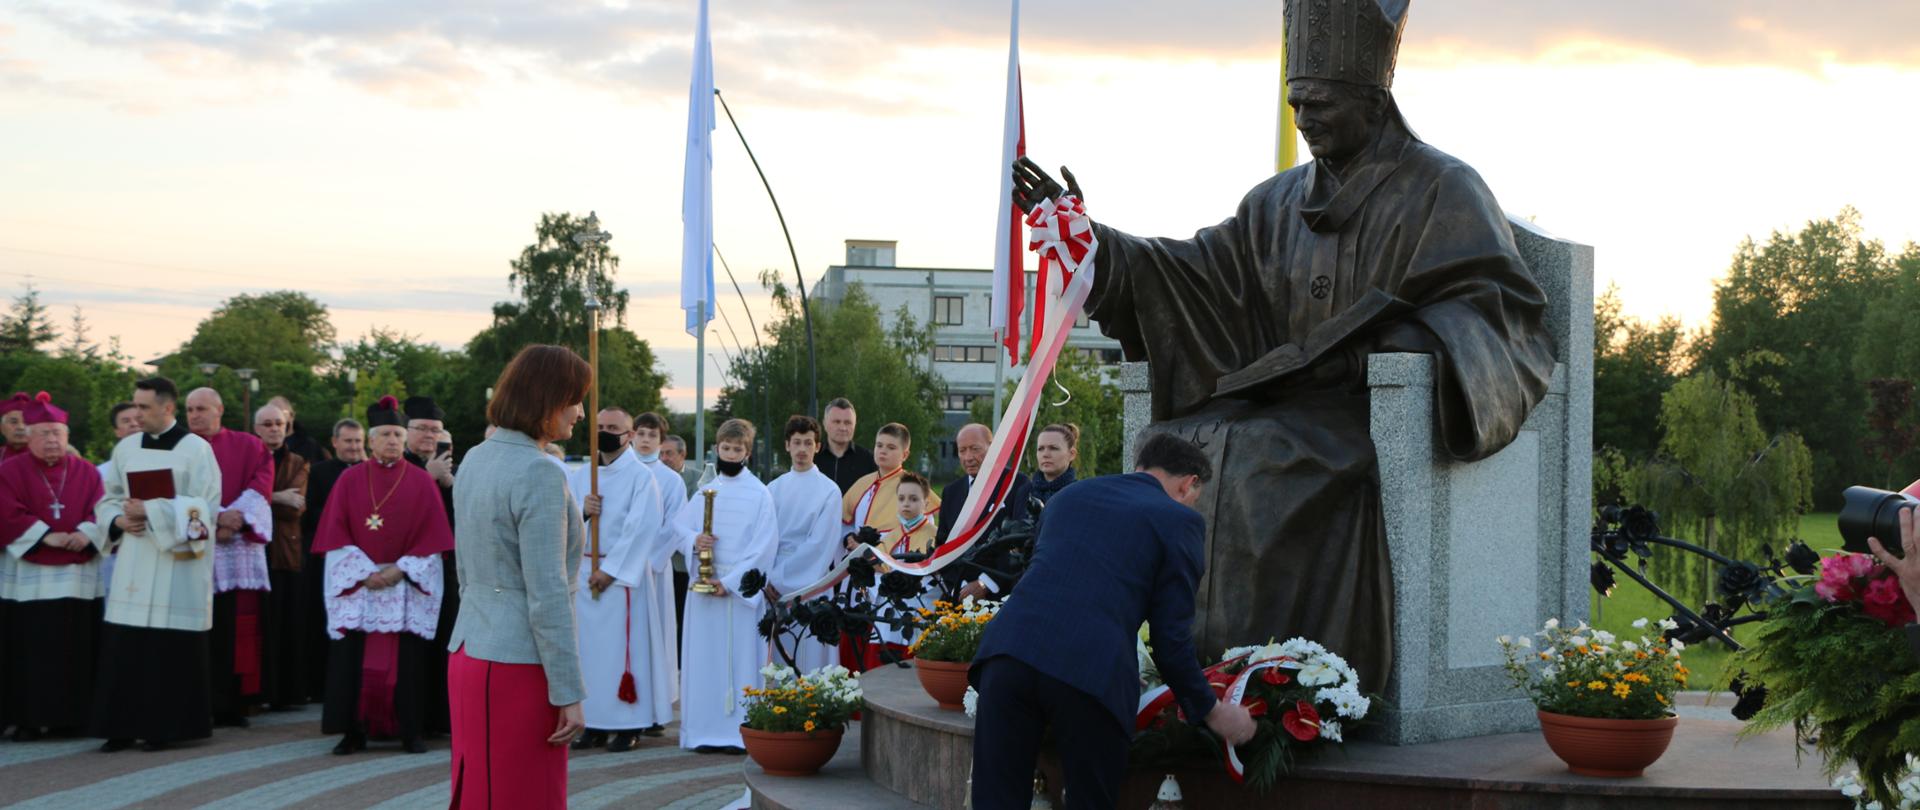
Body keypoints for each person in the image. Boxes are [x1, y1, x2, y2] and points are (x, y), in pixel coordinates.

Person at [1007, 0, 1556, 690]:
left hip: (1358, 415)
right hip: (1276, 400)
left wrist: (1381, 353)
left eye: (1322, 102)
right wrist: (1098, 245)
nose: (1306, 119)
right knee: (1181, 445)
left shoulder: (1442, 187)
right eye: (1297, 103)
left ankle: (1279, 678)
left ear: (1373, 97)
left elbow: (1498, 310)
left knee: (1262, 462)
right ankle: (1196, 669)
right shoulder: (1274, 201)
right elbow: (1198, 275)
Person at [970, 434, 1255, 809]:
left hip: (1008, 654)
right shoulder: (1178, 520)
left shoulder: (1070, 496)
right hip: (1088, 676)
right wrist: (1213, 711)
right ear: (1189, 484)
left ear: (1139, 467)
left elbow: (1055, 579)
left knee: (996, 801)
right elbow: (1171, 638)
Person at [447, 345, 590, 809]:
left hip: (470, 649)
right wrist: (569, 691)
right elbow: (547, 593)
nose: (581, 412)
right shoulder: (539, 472)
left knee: (483, 791)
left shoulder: (475, 457)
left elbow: (464, 568)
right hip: (518, 664)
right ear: (547, 399)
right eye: (575, 398)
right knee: (524, 794)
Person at [312, 396, 454, 755]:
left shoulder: (421, 482)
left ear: (404, 439)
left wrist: (398, 571)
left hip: (402, 582)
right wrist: (364, 573)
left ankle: (410, 731)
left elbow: (432, 536)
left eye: (396, 434)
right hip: (361, 584)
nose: (391, 441)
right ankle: (353, 731)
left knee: (407, 663)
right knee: (353, 663)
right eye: (384, 434)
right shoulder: (349, 479)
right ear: (371, 440)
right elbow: (335, 532)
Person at [92, 376, 223, 752]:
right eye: (134, 405)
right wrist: (118, 520)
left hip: (176, 563)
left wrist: (152, 510)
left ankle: (165, 727)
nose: (136, 414)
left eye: (144, 407)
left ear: (167, 408)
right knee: (126, 643)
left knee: (166, 649)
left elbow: (206, 508)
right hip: (135, 556)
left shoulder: (196, 450)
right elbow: (108, 497)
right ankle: (119, 726)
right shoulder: (127, 448)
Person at [566, 407, 673, 752]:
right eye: (600, 427)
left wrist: (611, 571)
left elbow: (642, 526)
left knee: (624, 653)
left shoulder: (642, 477)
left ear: (629, 434)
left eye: (613, 427)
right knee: (588, 653)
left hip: (620, 578)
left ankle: (628, 724)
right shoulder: (582, 475)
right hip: (584, 571)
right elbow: (562, 520)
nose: (605, 432)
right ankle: (593, 722)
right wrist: (583, 512)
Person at [0, 393, 106, 740]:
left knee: (78, 645)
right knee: (31, 649)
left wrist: (85, 532)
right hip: (29, 579)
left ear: (67, 435)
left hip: (77, 577)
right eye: (43, 433)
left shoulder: (87, 471)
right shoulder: (9, 472)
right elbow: (5, 511)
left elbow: (103, 508)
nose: (51, 440)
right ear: (27, 435)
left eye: (57, 433)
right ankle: (30, 720)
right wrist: (46, 536)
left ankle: (75, 718)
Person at [671, 418, 779, 755]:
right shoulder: (705, 491)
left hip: (735, 592)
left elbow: (764, 546)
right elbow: (677, 529)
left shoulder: (759, 493)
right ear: (717, 448)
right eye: (726, 448)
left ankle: (739, 732)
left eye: (738, 449)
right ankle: (703, 730)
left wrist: (731, 584)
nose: (731, 454)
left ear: (747, 452)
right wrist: (694, 539)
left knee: (740, 662)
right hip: (705, 589)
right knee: (705, 661)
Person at [186, 387, 276, 727]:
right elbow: (173, 492)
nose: (194, 415)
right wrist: (214, 518)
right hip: (195, 547)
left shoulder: (249, 445)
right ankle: (200, 700)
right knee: (199, 629)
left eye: (202, 409)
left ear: (219, 409)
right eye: (190, 409)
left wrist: (233, 519)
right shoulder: (180, 448)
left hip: (236, 548)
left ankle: (233, 703)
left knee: (236, 628)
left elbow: (261, 484)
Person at [765, 415, 844, 672]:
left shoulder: (829, 491)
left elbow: (821, 544)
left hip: (812, 583)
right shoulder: (772, 489)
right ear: (786, 445)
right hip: (773, 585)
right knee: (778, 658)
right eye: (796, 442)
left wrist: (778, 578)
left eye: (808, 443)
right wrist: (767, 578)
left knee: (810, 655)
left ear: (818, 447)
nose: (802, 449)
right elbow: (763, 539)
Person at [402, 395, 458, 735]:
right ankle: (414, 718)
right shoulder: (399, 464)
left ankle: (442, 719)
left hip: (446, 568)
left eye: (435, 430)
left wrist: (450, 483)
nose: (428, 435)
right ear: (407, 431)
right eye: (421, 428)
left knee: (445, 641)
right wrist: (426, 476)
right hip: (407, 569)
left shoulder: (453, 467)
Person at [300, 418, 365, 701]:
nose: (353, 447)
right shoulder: (318, 472)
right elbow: (310, 511)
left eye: (358, 442)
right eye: (348, 441)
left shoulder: (369, 472)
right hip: (328, 559)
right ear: (335, 442)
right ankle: (318, 686)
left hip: (363, 560)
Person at [252, 403, 310, 710]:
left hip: (285, 551)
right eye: (267, 424)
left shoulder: (298, 461)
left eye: (279, 423)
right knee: (258, 628)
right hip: (252, 551)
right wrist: (275, 495)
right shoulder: (249, 458)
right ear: (256, 429)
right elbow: (236, 497)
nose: (274, 429)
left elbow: (294, 507)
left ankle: (285, 695)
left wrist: (259, 499)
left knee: (285, 626)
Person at [941, 423, 1032, 603]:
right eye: (962, 450)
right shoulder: (951, 492)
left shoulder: (1016, 484)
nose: (968, 457)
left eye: (975, 449)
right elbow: (943, 544)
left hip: (1001, 596)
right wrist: (957, 585)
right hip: (957, 596)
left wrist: (986, 583)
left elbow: (1021, 540)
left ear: (993, 447)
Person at [634, 413, 693, 663]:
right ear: (631, 436)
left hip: (653, 567)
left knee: (655, 630)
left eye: (652, 435)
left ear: (660, 440)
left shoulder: (671, 480)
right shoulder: (617, 471)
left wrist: (645, 559)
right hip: (616, 567)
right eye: (641, 434)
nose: (646, 440)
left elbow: (674, 525)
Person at [94, 401, 145, 591]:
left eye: (138, 419)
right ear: (117, 431)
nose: (133, 424)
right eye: (126, 421)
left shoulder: (167, 460)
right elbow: (99, 510)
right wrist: (118, 521)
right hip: (119, 552)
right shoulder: (101, 472)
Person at [818, 398, 877, 493]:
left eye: (848, 422)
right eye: (837, 422)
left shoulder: (869, 461)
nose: (842, 428)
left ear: (855, 425)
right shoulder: (813, 458)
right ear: (824, 423)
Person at [1028, 424, 1080, 513]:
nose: (1045, 454)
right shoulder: (1023, 492)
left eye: (1053, 448)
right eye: (1040, 449)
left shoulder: (1080, 494)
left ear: (1071, 454)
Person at [267, 395, 326, 465]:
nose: (275, 418)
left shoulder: (309, 447)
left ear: (292, 416)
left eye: (281, 413)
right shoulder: (258, 446)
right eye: (270, 414)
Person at [0, 392, 30, 463]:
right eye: (14, 422)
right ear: (2, 428)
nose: (21, 427)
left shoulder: (43, 457)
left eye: (26, 422)